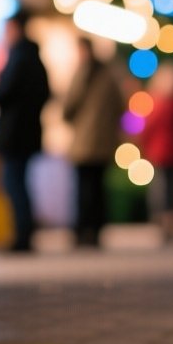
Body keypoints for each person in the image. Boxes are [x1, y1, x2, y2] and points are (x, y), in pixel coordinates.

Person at [0, 9, 50, 253]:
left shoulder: (19, 56)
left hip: (14, 132)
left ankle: (22, 235)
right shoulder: (35, 57)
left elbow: (6, 91)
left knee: (13, 182)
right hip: (28, 130)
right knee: (19, 181)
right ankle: (23, 233)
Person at [62, 37, 125, 248]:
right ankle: (97, 230)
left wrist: (69, 118)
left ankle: (83, 231)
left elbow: (69, 105)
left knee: (83, 188)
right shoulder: (110, 75)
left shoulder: (83, 73)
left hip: (84, 141)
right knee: (98, 188)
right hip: (105, 141)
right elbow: (120, 106)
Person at [139, 64, 173, 241]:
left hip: (160, 151)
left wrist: (143, 142)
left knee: (161, 188)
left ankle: (163, 220)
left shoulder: (159, 102)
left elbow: (149, 126)